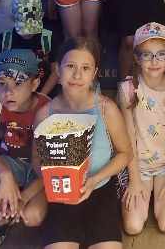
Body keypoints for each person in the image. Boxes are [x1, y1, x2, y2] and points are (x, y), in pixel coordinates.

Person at [34, 37, 132, 249]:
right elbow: (36, 160)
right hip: (61, 194)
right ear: (57, 70)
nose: (77, 75)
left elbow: (125, 153)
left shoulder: (106, 109)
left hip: (100, 187)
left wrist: (95, 179)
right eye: (70, 66)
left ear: (94, 74)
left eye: (85, 68)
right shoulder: (44, 114)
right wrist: (54, 181)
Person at [0, 49, 50, 248]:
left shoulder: (48, 109)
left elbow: (52, 168)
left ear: (34, 84)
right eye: (2, 84)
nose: (8, 92)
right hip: (10, 163)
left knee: (33, 217)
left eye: (18, 83)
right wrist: (5, 175)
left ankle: (10, 208)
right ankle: (6, 212)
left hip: (40, 172)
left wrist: (24, 198)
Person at [118, 22, 165, 235]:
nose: (154, 61)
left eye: (160, 54)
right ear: (137, 58)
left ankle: (163, 188)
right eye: (147, 55)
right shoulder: (128, 89)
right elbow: (128, 137)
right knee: (133, 226)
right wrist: (134, 180)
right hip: (138, 167)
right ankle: (141, 189)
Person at [0, 0, 59, 97]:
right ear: (13, 18)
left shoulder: (47, 37)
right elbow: (0, 72)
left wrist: (41, 96)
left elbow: (56, 71)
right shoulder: (6, 39)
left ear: (41, 16)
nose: (27, 33)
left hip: (44, 89)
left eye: (32, 27)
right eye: (23, 26)